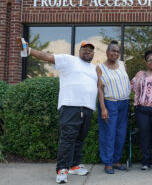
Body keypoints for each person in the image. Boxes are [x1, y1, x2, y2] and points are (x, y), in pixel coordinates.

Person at [21, 40, 98, 184]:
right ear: (79, 51)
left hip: (87, 108)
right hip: (70, 106)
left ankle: (75, 165)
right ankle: (62, 170)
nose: (87, 51)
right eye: (84, 49)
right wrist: (29, 50)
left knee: (80, 139)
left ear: (94, 53)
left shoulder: (94, 68)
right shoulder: (69, 60)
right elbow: (46, 56)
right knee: (68, 139)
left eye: (90, 50)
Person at [97, 40, 131, 174]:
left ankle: (116, 161)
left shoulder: (123, 64)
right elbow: (99, 88)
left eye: (117, 51)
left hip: (124, 103)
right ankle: (108, 163)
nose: (115, 53)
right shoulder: (100, 67)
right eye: (113, 51)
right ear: (107, 52)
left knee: (120, 133)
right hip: (109, 103)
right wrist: (103, 108)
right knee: (108, 134)